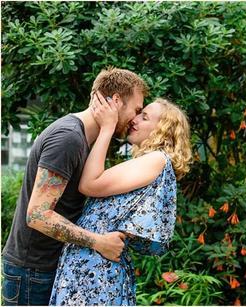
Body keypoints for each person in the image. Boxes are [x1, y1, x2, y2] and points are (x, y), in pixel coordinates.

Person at [1, 67, 148, 306]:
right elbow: (38, 215)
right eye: (137, 110)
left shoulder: (87, 139)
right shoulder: (68, 138)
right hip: (33, 271)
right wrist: (98, 242)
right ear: (117, 101)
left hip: (47, 267)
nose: (135, 119)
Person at [49, 93, 192, 305]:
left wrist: (107, 128)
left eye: (144, 117)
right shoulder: (149, 161)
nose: (134, 120)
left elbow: (89, 185)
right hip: (95, 263)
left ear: (164, 130)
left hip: (96, 269)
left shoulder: (156, 160)